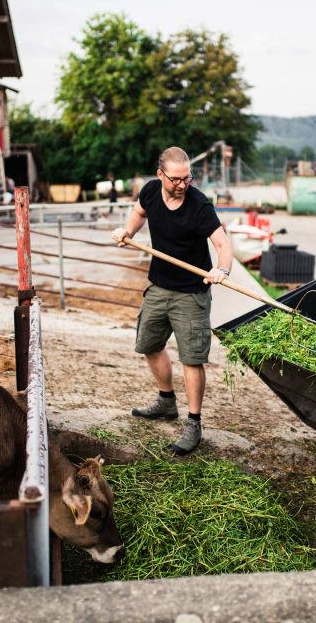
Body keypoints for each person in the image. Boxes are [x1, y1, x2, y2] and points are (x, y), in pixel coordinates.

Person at [111, 147, 233, 455]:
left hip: (192, 292)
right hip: (159, 286)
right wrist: (128, 231)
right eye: (176, 179)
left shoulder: (199, 204)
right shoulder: (151, 192)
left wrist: (222, 269)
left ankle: (193, 422)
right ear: (160, 175)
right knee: (149, 344)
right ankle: (166, 401)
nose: (182, 184)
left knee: (191, 359)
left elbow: (222, 243)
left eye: (187, 178)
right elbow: (139, 212)